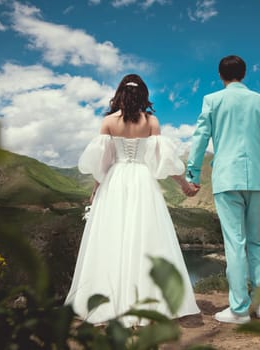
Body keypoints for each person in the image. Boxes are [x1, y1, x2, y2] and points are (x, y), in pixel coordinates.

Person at [65, 74, 200, 327]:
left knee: (111, 238)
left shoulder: (108, 122)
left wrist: (95, 191)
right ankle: (147, 300)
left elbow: (102, 165)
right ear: (143, 95)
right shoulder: (151, 121)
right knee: (146, 237)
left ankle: (107, 300)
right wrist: (184, 186)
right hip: (142, 180)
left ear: (120, 94)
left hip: (114, 181)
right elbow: (165, 161)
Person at [185, 55, 260, 324]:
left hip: (227, 179)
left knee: (235, 244)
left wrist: (193, 173)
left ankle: (238, 309)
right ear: (244, 74)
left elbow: (200, 137)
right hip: (258, 179)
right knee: (259, 242)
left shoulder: (213, 100)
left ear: (221, 75)